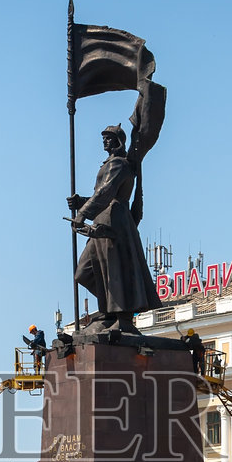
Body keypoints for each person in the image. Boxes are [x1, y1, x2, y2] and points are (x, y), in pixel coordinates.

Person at [68, 124, 161, 330]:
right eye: (104, 137)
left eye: (109, 137)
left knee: (115, 270)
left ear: (119, 141)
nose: (105, 140)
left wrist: (82, 214)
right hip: (101, 220)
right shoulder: (110, 164)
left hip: (114, 223)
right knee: (85, 272)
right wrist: (80, 202)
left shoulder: (118, 164)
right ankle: (108, 309)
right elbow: (102, 195)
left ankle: (121, 315)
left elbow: (105, 192)